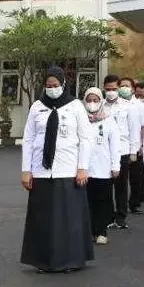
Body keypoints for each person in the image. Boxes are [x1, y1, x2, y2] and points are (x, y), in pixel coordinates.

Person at [20, 66, 95, 273]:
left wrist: (83, 168)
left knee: (68, 219)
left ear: (63, 84)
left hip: (68, 170)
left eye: (55, 85)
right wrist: (26, 170)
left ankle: (69, 260)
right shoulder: (37, 106)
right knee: (43, 218)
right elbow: (28, 139)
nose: (52, 89)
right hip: (42, 171)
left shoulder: (75, 106)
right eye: (48, 85)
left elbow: (86, 138)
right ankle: (43, 261)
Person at [83, 88, 122, 244]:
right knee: (86, 201)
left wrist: (115, 165)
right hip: (84, 168)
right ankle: (88, 231)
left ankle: (101, 231)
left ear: (101, 101)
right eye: (89, 100)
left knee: (102, 201)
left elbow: (115, 144)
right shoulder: (80, 118)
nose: (92, 103)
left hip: (103, 168)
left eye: (96, 100)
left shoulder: (108, 119)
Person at [102, 75, 140, 230]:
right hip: (104, 152)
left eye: (114, 89)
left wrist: (133, 151)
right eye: (108, 89)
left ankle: (121, 216)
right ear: (104, 89)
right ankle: (108, 215)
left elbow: (134, 129)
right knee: (105, 185)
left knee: (121, 186)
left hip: (122, 151)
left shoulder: (128, 106)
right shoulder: (100, 105)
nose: (111, 92)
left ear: (118, 88)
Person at [118, 77, 144, 216]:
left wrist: (140, 146)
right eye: (122, 85)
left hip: (136, 145)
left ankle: (134, 203)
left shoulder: (139, 105)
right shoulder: (116, 104)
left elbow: (142, 127)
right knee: (121, 180)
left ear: (132, 88)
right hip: (120, 147)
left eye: (127, 85)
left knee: (136, 177)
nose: (124, 88)